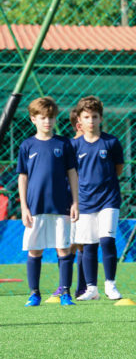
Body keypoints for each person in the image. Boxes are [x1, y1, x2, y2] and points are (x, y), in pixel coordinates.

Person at [17, 97, 79, 306]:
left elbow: (72, 174)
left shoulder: (64, 144)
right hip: (35, 207)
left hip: (61, 206)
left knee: (63, 248)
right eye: (43, 118)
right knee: (35, 250)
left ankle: (65, 293)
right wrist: (24, 207)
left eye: (51, 118)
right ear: (33, 119)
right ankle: (34, 293)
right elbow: (23, 177)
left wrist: (75, 203)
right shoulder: (27, 145)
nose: (47, 122)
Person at [72, 96, 124, 301]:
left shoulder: (111, 142)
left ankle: (110, 285)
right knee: (89, 245)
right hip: (84, 202)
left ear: (101, 118)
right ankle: (91, 289)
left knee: (107, 241)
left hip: (108, 200)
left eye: (94, 116)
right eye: (86, 117)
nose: (91, 121)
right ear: (80, 120)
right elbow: (72, 174)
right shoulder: (74, 145)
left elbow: (118, 169)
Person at [48, 108, 87, 302]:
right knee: (67, 244)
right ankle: (65, 287)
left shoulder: (96, 143)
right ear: (78, 125)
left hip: (89, 200)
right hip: (71, 201)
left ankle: (82, 286)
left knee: (82, 244)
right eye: (85, 119)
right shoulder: (68, 146)